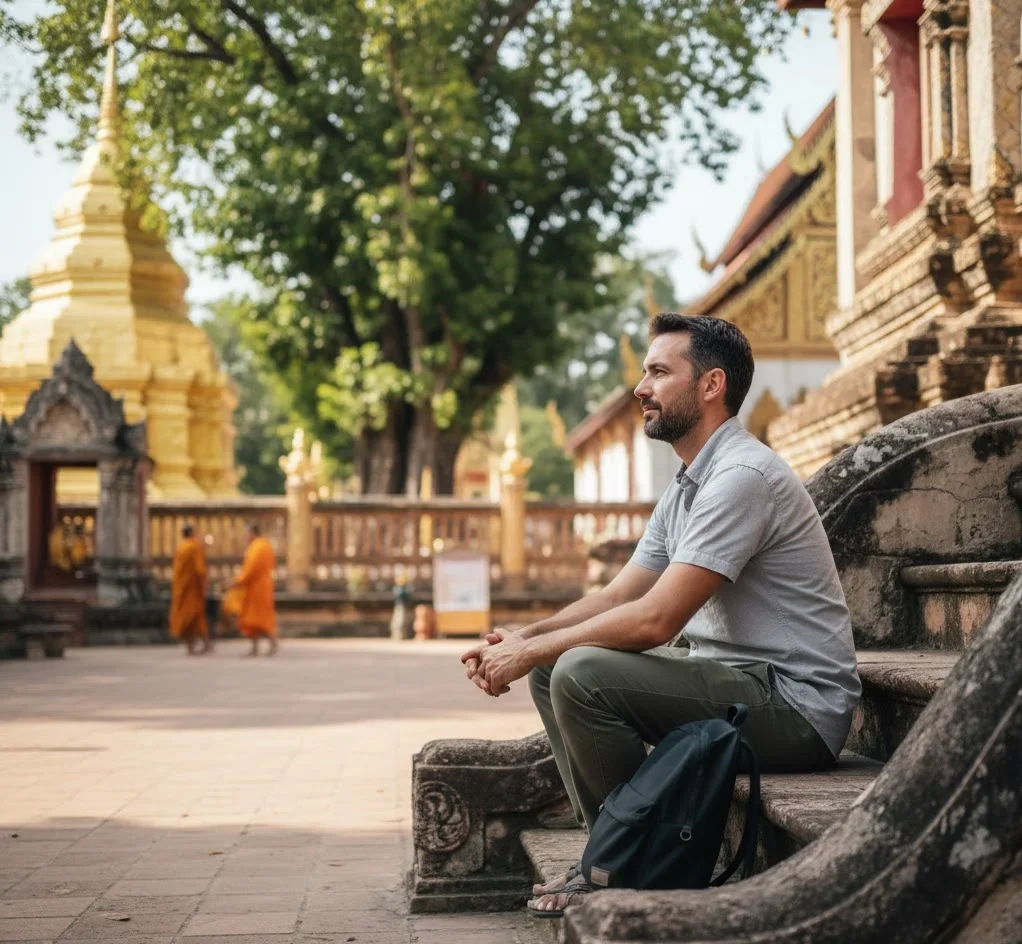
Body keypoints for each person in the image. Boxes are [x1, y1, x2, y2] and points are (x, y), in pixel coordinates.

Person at [462, 314, 861, 913]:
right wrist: (525, 638)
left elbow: (656, 622)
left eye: (658, 372)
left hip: (796, 705)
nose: (640, 388)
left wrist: (533, 651)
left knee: (579, 673)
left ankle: (627, 868)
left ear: (710, 385)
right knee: (553, 665)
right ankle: (612, 848)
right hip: (737, 680)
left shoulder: (741, 476)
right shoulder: (689, 483)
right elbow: (620, 594)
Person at [232, 521, 278, 657]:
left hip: (258, 587)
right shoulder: (262, 546)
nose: (246, 536)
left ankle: (272, 641)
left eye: (247, 533)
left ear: (252, 532)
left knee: (259, 618)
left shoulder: (259, 547)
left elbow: (251, 570)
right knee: (251, 619)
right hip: (256, 587)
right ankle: (255, 648)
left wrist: (237, 581)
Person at [169, 524, 211, 655]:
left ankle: (191, 647)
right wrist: (204, 582)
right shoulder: (195, 546)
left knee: (188, 618)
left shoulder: (180, 547)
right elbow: (200, 569)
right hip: (193, 588)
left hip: (181, 588)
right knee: (196, 617)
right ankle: (204, 644)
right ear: (192, 533)